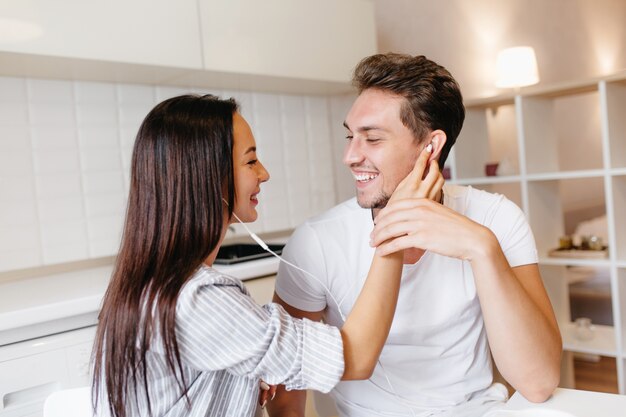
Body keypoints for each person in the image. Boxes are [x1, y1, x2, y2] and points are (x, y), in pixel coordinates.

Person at [91, 94, 444, 417]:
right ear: (209, 177)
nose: (264, 173)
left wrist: (245, 381)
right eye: (251, 161)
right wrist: (397, 225)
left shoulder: (150, 282)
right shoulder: (200, 300)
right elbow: (356, 356)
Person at [269, 53, 562, 417]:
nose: (349, 155)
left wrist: (482, 248)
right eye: (350, 136)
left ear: (431, 147)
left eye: (371, 138)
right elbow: (285, 397)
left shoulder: (496, 218)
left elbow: (538, 382)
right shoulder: (315, 242)